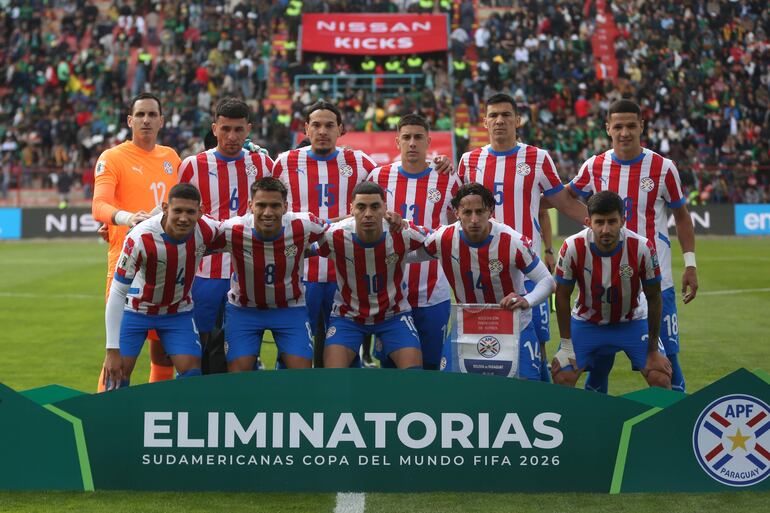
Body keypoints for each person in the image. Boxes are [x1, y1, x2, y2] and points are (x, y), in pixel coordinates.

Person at [273, 101, 452, 366]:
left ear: (341, 130)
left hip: (347, 274)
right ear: (306, 129)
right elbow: (266, 202)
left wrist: (438, 161)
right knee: (295, 352)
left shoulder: (359, 162)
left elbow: (402, 174)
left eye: (329, 125)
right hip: (301, 274)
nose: (323, 131)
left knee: (347, 354)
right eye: (317, 125)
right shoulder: (285, 162)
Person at [569, 99, 698, 393]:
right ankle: (597, 425)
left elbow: (682, 216)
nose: (624, 132)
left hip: (656, 278)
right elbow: (564, 197)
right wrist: (588, 221)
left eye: (630, 125)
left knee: (666, 359)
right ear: (608, 129)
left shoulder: (663, 168)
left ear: (641, 126)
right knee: (600, 362)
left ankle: (675, 421)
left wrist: (690, 263)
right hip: (605, 278)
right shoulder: (595, 165)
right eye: (618, 126)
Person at [457, 93, 586, 380]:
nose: (500, 121)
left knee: (536, 345)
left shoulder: (537, 158)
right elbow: (457, 209)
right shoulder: (469, 161)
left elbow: (563, 202)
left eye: (506, 115)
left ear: (517, 120)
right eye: (494, 115)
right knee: (487, 346)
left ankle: (535, 401)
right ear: (485, 121)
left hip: (528, 269)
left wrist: (596, 222)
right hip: (483, 271)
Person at [420, 183, 556, 379]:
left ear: (490, 211)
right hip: (468, 326)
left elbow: (546, 281)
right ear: (457, 212)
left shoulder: (512, 241)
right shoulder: (444, 238)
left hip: (514, 326)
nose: (474, 219)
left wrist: (527, 300)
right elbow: (410, 254)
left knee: (528, 388)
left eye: (480, 211)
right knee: (449, 386)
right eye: (467, 212)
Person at [92, 92, 181, 391]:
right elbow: (99, 206)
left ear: (161, 120)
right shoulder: (112, 157)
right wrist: (126, 218)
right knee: (119, 359)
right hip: (126, 269)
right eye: (140, 115)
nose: (146, 120)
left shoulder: (171, 158)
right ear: (130, 121)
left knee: (164, 355)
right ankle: (103, 420)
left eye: (151, 114)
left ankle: (155, 418)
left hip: (166, 268)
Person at [178, 98, 273, 371]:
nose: (232, 136)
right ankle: (197, 398)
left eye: (239, 130)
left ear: (248, 130)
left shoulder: (263, 164)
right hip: (204, 271)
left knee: (243, 345)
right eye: (226, 129)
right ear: (215, 128)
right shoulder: (192, 166)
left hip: (248, 271)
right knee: (199, 342)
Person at [102, 183, 222, 390]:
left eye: (190, 212)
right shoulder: (140, 237)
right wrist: (111, 350)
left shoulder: (207, 230)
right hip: (135, 311)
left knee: (192, 373)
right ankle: (111, 420)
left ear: (200, 212)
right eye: (178, 210)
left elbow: (241, 234)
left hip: (177, 312)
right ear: (165, 208)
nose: (183, 218)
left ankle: (178, 419)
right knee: (117, 375)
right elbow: (118, 291)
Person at [550, 191, 672, 390]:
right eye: (599, 222)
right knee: (563, 376)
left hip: (632, 321)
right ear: (588, 222)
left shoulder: (642, 247)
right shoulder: (572, 246)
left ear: (623, 220)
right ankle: (572, 421)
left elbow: (654, 296)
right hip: (588, 322)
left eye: (612, 221)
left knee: (660, 377)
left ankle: (659, 422)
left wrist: (653, 350)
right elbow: (561, 296)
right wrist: (565, 346)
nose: (605, 229)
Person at [367, 114, 460, 370]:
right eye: (406, 137)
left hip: (433, 290)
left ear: (429, 141)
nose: (412, 143)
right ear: (397, 141)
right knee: (389, 365)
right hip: (390, 290)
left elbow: (456, 226)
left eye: (418, 137)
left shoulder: (448, 179)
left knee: (431, 364)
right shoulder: (378, 177)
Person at [212, 178, 328, 371]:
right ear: (250, 206)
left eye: (275, 206)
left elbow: (336, 232)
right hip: (244, 309)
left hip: (290, 307)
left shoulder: (303, 225)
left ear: (285, 207)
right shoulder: (233, 230)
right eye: (261, 205)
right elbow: (196, 238)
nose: (268, 212)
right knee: (239, 372)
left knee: (302, 373)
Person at [318, 181, 428, 369]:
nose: (368, 213)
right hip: (348, 317)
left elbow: (441, 239)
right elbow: (301, 243)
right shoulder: (333, 236)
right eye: (361, 207)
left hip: (394, 315)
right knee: (333, 377)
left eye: (375, 207)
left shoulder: (402, 232)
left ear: (385, 208)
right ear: (351, 209)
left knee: (414, 376)